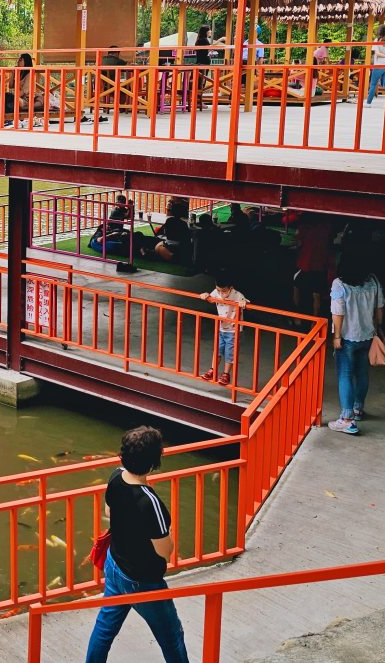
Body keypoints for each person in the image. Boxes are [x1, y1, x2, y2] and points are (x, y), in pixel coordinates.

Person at [84, 426, 190, 663]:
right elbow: (165, 550)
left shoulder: (115, 477)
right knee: (172, 636)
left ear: (123, 456)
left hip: (115, 565)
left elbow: (109, 512)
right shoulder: (150, 502)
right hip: (142, 580)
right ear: (153, 463)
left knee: (104, 629)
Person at [328, 247, 385, 435]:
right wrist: (378, 327)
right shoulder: (373, 281)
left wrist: (336, 336)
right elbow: (380, 307)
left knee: (345, 374)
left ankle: (346, 419)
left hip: (346, 337)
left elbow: (338, 312)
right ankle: (358, 409)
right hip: (367, 335)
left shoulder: (339, 284)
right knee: (362, 374)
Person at [198, 272, 247, 386]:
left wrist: (243, 302)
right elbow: (209, 297)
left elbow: (244, 301)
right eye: (218, 290)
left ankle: (226, 374)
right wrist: (205, 295)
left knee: (230, 352)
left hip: (233, 330)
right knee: (218, 350)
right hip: (221, 328)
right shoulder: (217, 292)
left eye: (224, 291)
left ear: (231, 288)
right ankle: (212, 369)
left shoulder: (237, 295)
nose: (221, 294)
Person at [288, 212, 335, 317]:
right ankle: (314, 322)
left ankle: (297, 318)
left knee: (296, 289)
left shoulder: (304, 227)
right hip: (320, 266)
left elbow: (298, 241)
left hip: (305, 265)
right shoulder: (327, 227)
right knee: (316, 295)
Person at [152, 197, 191, 263]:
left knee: (158, 245)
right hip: (178, 244)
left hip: (169, 244)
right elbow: (187, 236)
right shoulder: (183, 223)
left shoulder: (169, 221)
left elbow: (166, 233)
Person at [365, 25, 385, 105]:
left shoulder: (377, 40)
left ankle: (368, 102)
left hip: (378, 65)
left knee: (373, 84)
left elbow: (377, 53)